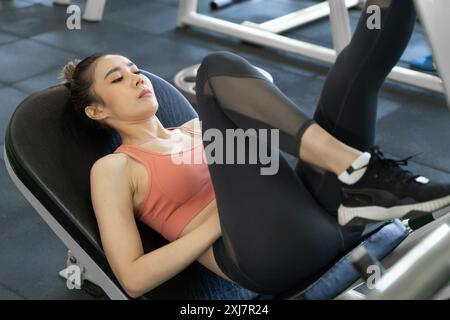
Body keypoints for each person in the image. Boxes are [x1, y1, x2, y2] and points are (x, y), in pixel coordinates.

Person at [59, 0, 450, 298]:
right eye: (117, 78)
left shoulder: (197, 127)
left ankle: (361, 179)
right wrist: (215, 222)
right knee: (215, 69)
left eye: (134, 69)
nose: (136, 78)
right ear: (97, 109)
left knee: (351, 74)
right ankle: (363, 173)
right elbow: (131, 278)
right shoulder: (114, 169)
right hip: (271, 253)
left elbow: (266, 172)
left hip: (325, 218)